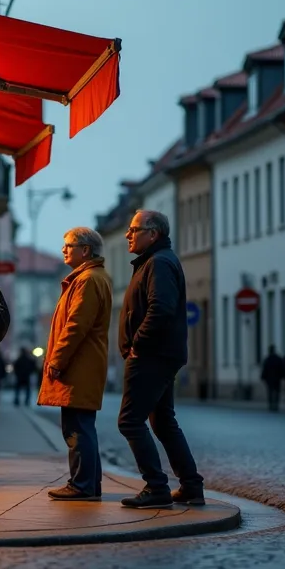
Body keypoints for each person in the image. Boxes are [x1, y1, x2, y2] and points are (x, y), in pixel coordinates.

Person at [116, 210, 204, 509]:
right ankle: (191, 486)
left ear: (152, 233)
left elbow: (161, 308)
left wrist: (137, 342)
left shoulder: (159, 263)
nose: (128, 234)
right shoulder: (154, 261)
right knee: (163, 421)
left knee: (130, 421)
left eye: (133, 229)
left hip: (152, 354)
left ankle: (156, 487)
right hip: (160, 353)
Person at [38, 227, 113, 502]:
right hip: (83, 363)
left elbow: (75, 326)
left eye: (69, 245)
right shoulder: (89, 278)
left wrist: (57, 360)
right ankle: (88, 484)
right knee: (81, 426)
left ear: (85, 250)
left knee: (77, 428)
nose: (63, 250)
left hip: (79, 365)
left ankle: (82, 485)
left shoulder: (88, 280)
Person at [260, 345, 284, 412]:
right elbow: (281, 368)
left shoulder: (267, 359)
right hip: (277, 378)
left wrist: (263, 377)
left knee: (270, 392)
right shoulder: (278, 359)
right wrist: (282, 376)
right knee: (277, 391)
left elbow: (264, 369)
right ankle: (276, 404)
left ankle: (270, 404)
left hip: (269, 378)